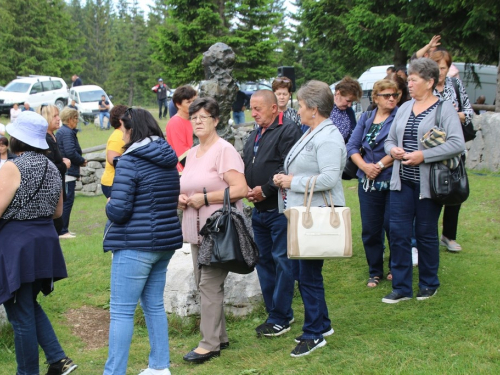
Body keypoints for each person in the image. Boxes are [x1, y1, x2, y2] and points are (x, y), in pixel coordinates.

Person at [103, 108, 182, 375]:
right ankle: (160, 367)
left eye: (124, 128)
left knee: (122, 313)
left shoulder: (129, 161)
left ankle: (113, 372)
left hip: (134, 245)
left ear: (132, 130)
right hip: (164, 242)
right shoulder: (168, 158)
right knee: (154, 306)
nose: (121, 133)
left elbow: (120, 211)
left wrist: (110, 204)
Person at [0, 111, 77, 375]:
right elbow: (58, 212)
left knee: (19, 315)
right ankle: (58, 359)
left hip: (18, 244)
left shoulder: (12, 166)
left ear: (16, 139)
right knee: (27, 304)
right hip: (45, 242)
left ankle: (27, 372)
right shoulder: (53, 168)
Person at [273, 80, 345, 357]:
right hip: (305, 212)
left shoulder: (327, 136)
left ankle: (314, 333)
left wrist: (292, 181)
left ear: (314, 109)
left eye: (301, 105)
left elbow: (329, 177)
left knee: (308, 274)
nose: (297, 110)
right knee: (306, 272)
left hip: (316, 214)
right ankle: (323, 324)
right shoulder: (313, 130)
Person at [383, 58, 465, 303]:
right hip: (401, 181)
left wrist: (424, 155)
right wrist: (393, 151)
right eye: (409, 79)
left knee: (426, 233)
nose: (409, 84)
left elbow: (457, 144)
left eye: (414, 79)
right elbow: (389, 140)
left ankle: (429, 283)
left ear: (429, 82)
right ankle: (401, 287)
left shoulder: (444, 108)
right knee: (398, 233)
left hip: (429, 184)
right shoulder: (405, 108)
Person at [179, 97, 248, 364]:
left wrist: (205, 198)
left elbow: (240, 189)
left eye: (203, 117)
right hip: (197, 230)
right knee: (204, 284)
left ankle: (208, 344)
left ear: (216, 121)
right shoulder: (192, 152)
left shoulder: (224, 150)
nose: (197, 121)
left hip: (219, 230)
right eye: (193, 117)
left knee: (209, 284)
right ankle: (220, 337)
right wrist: (181, 199)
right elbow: (187, 187)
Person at [243, 90, 302, 337]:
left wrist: (265, 190)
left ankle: (281, 316)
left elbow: (287, 166)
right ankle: (274, 312)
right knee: (264, 261)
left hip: (280, 208)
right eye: (251, 109)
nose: (253, 113)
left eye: (258, 108)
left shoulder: (288, 130)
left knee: (282, 261)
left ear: (274, 108)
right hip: (259, 210)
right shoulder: (254, 134)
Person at [346, 79, 399, 287]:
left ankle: (395, 266)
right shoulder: (366, 117)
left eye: (394, 95)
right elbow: (352, 146)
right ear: (376, 98)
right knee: (370, 228)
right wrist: (365, 167)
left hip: (391, 180)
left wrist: (377, 165)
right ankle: (374, 270)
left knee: (392, 226)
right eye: (386, 95)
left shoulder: (399, 117)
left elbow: (400, 146)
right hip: (368, 182)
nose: (392, 99)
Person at [428, 50, 473, 252]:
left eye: (444, 67)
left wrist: (456, 115)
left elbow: (469, 113)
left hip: (454, 146)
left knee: (455, 189)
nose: (440, 71)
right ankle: (426, 235)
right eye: (436, 67)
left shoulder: (455, 85)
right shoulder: (426, 88)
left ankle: (448, 235)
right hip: (432, 148)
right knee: (432, 190)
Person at [38, 105, 71, 235]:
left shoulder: (53, 136)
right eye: (55, 116)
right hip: (50, 191)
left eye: (58, 115)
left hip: (58, 187)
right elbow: (48, 167)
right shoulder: (45, 139)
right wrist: (64, 165)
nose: (58, 119)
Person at [56, 108, 87, 239]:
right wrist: (82, 161)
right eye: (75, 119)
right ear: (70, 119)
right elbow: (70, 152)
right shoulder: (67, 133)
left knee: (67, 200)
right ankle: (62, 230)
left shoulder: (63, 132)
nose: (76, 121)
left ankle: (64, 228)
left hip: (67, 171)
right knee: (67, 200)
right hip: (68, 171)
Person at [165, 85, 197, 172]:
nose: (193, 104)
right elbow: (182, 155)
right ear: (178, 104)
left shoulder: (193, 120)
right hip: (182, 172)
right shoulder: (175, 122)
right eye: (188, 102)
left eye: (194, 101)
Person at [101, 105, 128, 198]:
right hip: (112, 182)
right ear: (122, 119)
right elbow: (112, 158)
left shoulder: (123, 134)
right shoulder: (117, 136)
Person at [327, 76, 362, 142]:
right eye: (348, 101)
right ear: (338, 93)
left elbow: (353, 135)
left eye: (352, 102)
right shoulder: (323, 108)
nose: (349, 105)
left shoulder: (349, 111)